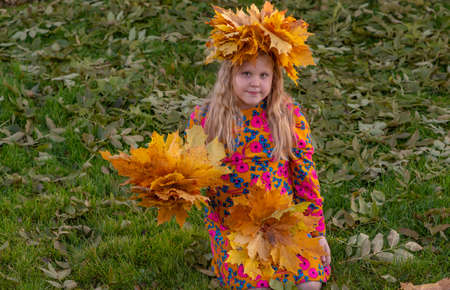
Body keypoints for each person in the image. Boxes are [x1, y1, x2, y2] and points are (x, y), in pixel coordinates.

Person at [186, 2, 331, 289]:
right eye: (246, 74)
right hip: (235, 226)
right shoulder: (206, 117)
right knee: (255, 284)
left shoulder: (286, 115)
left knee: (308, 284)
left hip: (283, 219)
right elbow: (194, 174)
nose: (255, 83)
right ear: (229, 76)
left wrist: (317, 231)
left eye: (264, 75)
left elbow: (305, 176)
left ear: (275, 79)